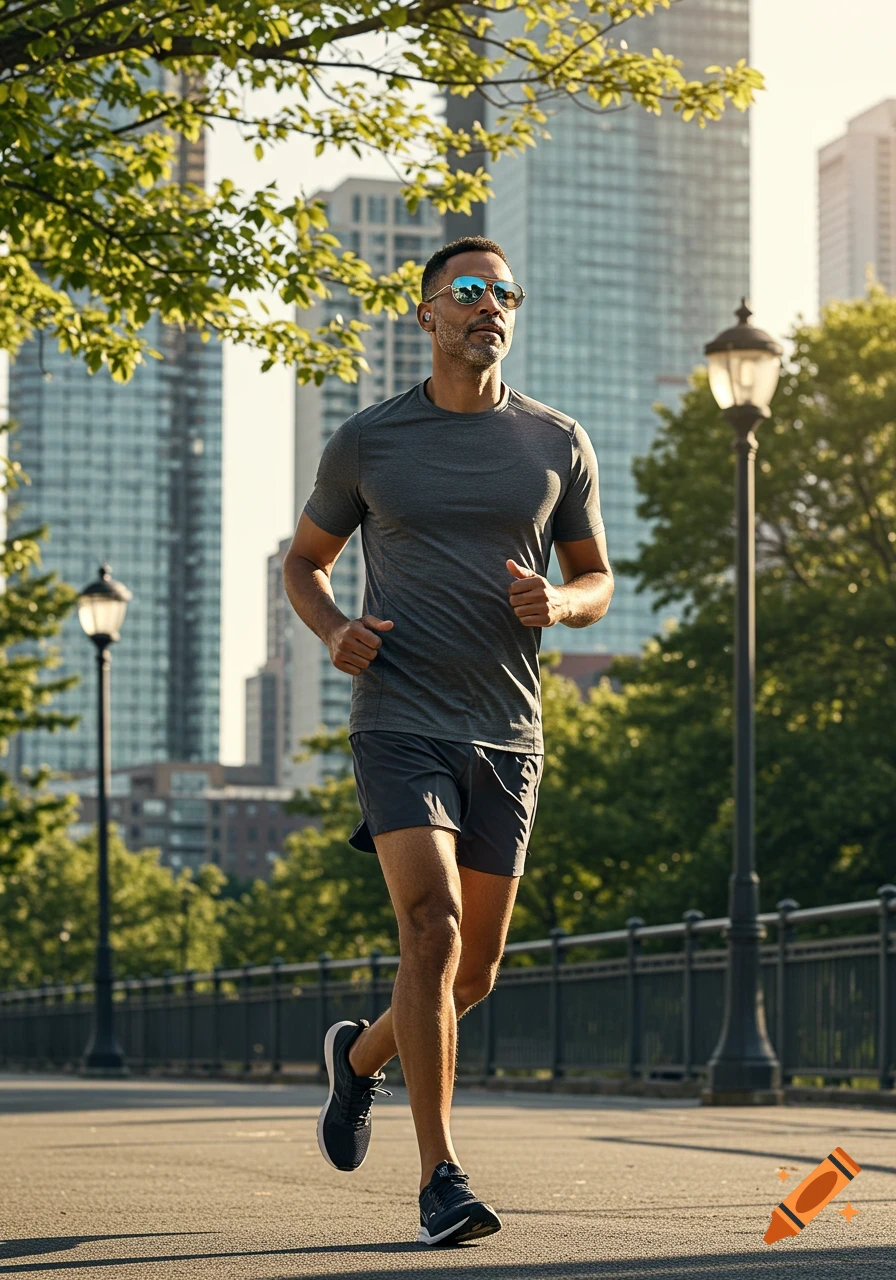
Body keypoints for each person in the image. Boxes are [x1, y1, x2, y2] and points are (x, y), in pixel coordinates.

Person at [283, 236, 613, 1247]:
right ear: (425, 313)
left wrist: (559, 601)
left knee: (470, 975)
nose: (490, 306)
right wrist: (336, 629)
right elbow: (303, 563)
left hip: (508, 730)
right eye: (469, 291)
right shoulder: (367, 443)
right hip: (398, 716)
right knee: (427, 931)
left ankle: (356, 1060)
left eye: (504, 292)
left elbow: (598, 581)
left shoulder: (557, 441)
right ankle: (441, 1176)